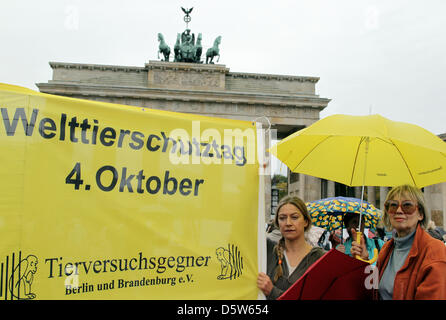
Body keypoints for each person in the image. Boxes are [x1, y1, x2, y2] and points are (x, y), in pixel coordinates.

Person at [375, 184, 446, 300]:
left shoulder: (435, 250)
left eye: (407, 205)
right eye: (393, 205)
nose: (398, 210)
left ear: (421, 214)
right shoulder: (386, 249)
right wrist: (362, 263)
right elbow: (373, 290)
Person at [257, 196, 325, 299]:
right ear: (277, 223)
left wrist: (272, 291)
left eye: (294, 217)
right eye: (282, 218)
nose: (288, 223)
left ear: (306, 221)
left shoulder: (320, 258)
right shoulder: (268, 250)